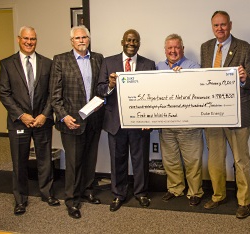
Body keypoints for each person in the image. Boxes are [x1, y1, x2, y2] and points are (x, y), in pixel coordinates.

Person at [200, 10, 250, 219]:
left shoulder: (245, 48)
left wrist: (244, 78)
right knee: (215, 159)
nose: (220, 29)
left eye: (223, 25)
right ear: (212, 26)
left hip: (238, 114)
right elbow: (203, 79)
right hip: (213, 113)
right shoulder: (206, 48)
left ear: (230, 25)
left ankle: (244, 201)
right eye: (216, 25)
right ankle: (218, 195)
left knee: (240, 159)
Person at [0, 26, 60, 215]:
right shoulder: (7, 64)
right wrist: (21, 115)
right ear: (19, 39)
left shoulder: (47, 63)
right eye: (26, 38)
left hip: (42, 121)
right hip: (19, 122)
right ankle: (20, 199)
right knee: (19, 161)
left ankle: (47, 193)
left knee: (45, 160)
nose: (29, 42)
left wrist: (44, 115)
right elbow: (4, 93)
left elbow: (53, 93)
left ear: (36, 40)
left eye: (32, 39)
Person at [96, 29, 155, 212]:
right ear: (122, 42)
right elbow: (99, 90)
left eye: (135, 41)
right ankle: (118, 194)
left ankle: (141, 193)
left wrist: (150, 119)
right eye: (129, 40)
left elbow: (154, 93)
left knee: (140, 160)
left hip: (139, 123)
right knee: (117, 160)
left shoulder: (148, 64)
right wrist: (111, 85)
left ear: (139, 43)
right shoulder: (108, 62)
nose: (132, 43)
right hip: (115, 122)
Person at [50, 25, 104, 219]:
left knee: (90, 159)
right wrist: (64, 116)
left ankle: (88, 190)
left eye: (84, 37)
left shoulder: (98, 58)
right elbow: (54, 95)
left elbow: (101, 87)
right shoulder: (60, 60)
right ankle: (72, 200)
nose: (81, 40)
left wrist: (105, 95)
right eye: (78, 38)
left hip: (94, 120)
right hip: (71, 122)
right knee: (73, 163)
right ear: (71, 41)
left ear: (88, 39)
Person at [156, 34, 204, 206]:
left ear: (182, 49)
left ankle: (195, 192)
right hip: (167, 124)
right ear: (165, 50)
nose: (173, 51)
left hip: (188, 125)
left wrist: (185, 76)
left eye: (176, 47)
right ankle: (175, 188)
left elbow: (199, 88)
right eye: (170, 48)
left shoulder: (192, 66)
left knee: (192, 160)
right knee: (170, 160)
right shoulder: (159, 67)